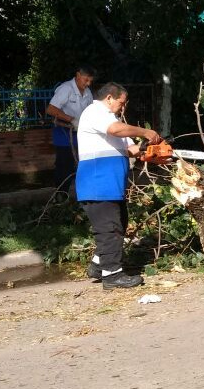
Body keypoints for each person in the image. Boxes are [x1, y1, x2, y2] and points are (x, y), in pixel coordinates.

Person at [77, 82, 161, 289]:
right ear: (109, 98)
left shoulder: (110, 119)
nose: (123, 107)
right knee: (110, 229)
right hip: (98, 184)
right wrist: (145, 131)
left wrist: (148, 152)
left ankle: (99, 265)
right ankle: (112, 275)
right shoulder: (95, 112)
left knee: (119, 223)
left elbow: (130, 149)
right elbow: (115, 130)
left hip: (110, 186)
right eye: (121, 103)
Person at [45, 66, 95, 191]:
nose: (88, 84)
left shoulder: (88, 92)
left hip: (81, 133)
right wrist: (71, 120)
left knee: (82, 162)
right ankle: (61, 194)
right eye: (86, 80)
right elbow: (51, 109)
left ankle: (80, 192)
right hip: (64, 132)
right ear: (78, 75)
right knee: (64, 164)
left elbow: (91, 110)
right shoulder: (66, 88)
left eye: (90, 81)